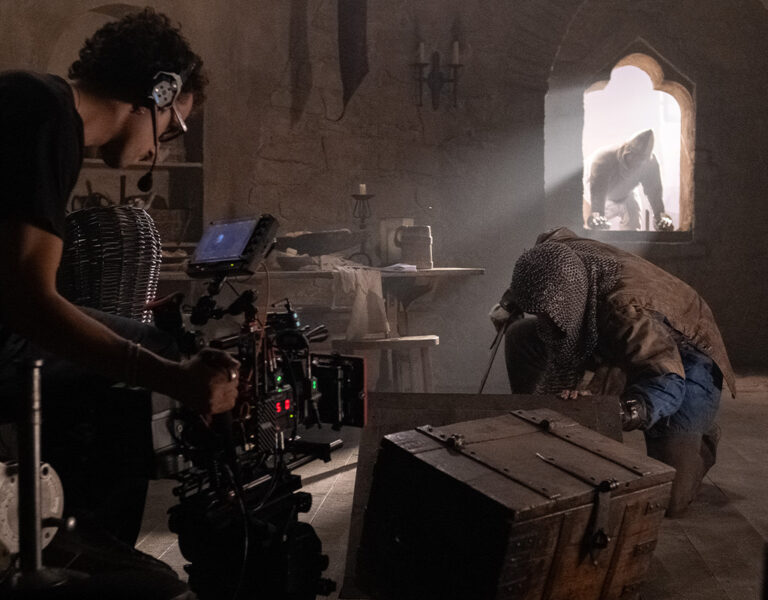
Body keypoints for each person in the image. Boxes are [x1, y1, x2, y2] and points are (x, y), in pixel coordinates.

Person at [0, 8, 237, 598]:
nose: (163, 150)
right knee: (146, 360)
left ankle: (71, 530)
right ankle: (83, 545)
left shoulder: (38, 108)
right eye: (174, 127)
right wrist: (174, 379)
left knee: (144, 341)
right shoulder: (45, 109)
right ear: (158, 92)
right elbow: (29, 304)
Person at [489, 227, 735, 517]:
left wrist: (625, 410)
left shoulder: (625, 313)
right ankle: (537, 417)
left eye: (551, 310)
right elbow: (541, 259)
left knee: (669, 500)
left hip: (685, 356)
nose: (545, 318)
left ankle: (702, 440)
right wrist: (510, 303)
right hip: (618, 337)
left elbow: (667, 378)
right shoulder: (555, 254)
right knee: (521, 334)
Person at [585, 129, 674, 231]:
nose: (635, 164)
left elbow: (654, 192)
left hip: (626, 193)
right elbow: (597, 190)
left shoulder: (649, 163)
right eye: (632, 158)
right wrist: (597, 214)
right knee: (591, 230)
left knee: (633, 227)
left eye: (639, 161)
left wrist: (660, 216)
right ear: (626, 151)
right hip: (590, 194)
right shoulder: (603, 158)